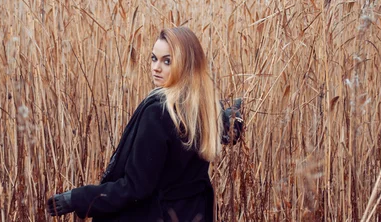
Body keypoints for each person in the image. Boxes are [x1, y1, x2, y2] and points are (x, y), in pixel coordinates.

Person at [47, 26, 241, 221]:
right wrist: (232, 119)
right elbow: (227, 131)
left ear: (186, 65)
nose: (156, 67)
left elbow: (135, 187)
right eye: (154, 58)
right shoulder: (206, 108)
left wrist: (78, 198)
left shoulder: (159, 112)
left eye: (167, 61)